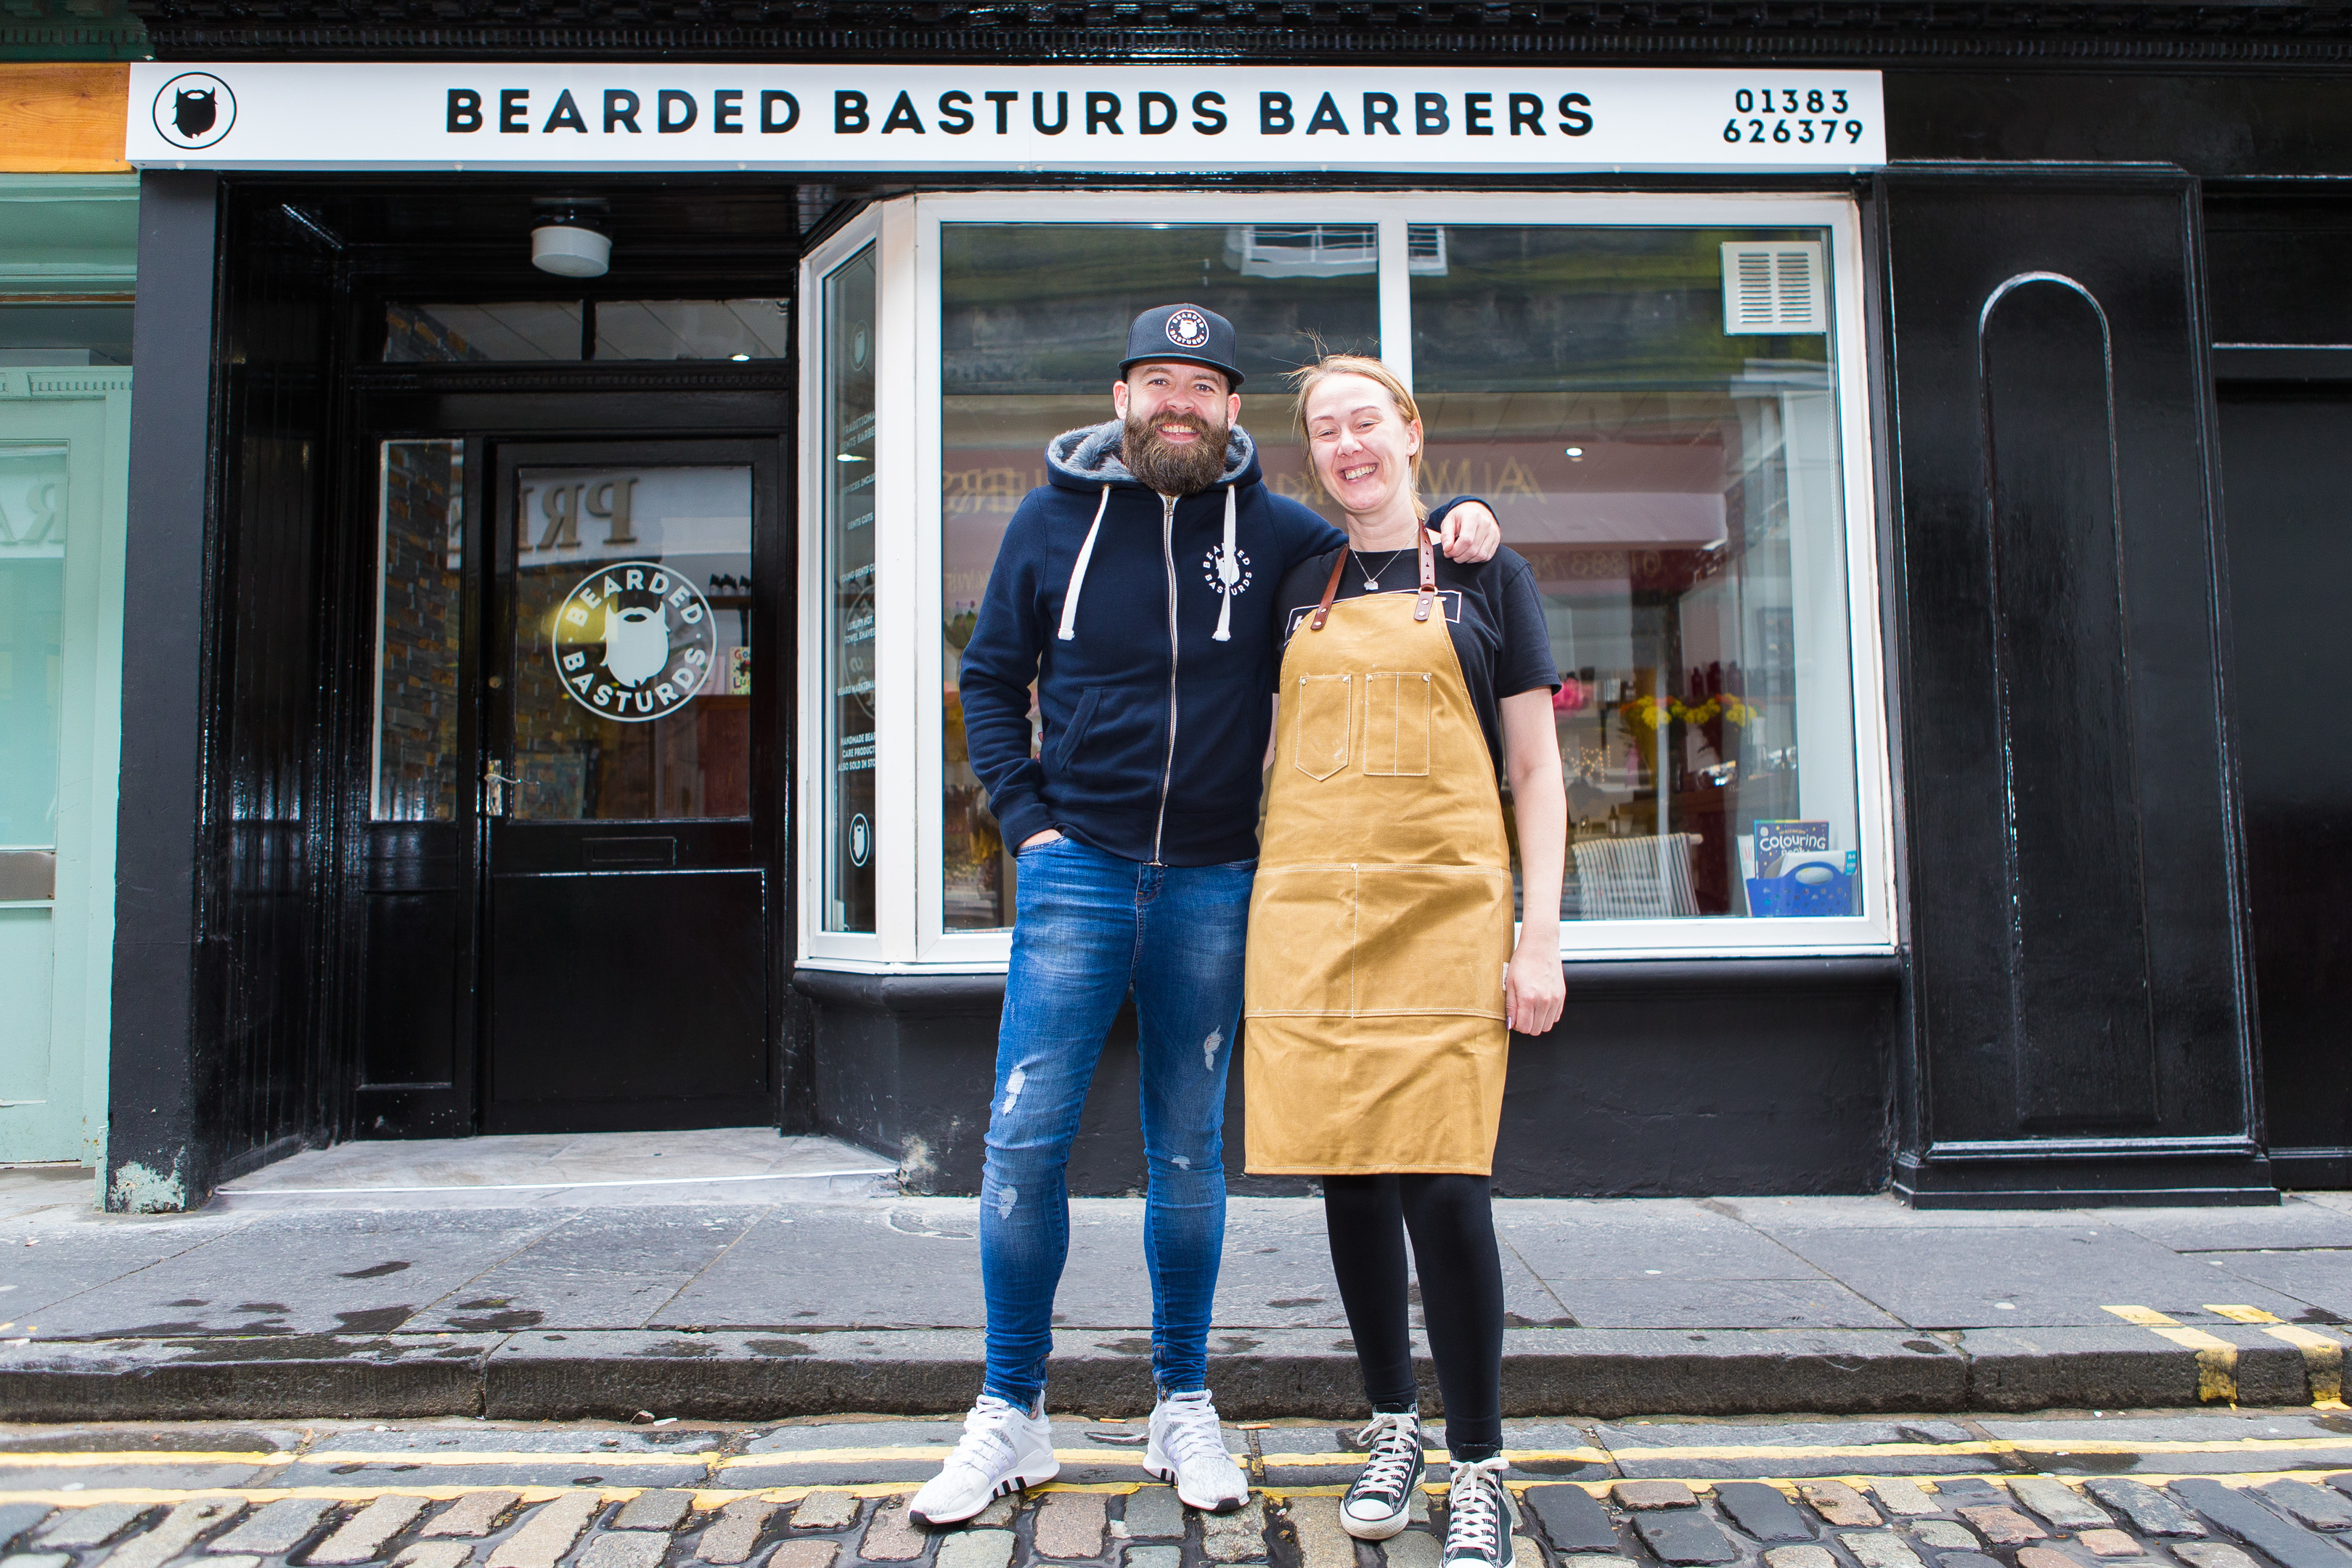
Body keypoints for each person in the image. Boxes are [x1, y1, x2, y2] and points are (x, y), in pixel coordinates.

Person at [910, 306, 1503, 1524]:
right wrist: (1024, 820)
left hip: (1219, 880)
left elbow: (1385, 543)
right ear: (1123, 394)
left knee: (1189, 1152)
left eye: (1203, 385)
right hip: (1076, 873)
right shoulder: (1045, 520)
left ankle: (1183, 1403)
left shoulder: (1281, 534)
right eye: (1158, 381)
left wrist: (1464, 523)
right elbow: (988, 672)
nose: (1179, 402)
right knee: (1026, 1143)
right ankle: (1010, 1410)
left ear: (1232, 410)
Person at [1244, 354, 1568, 1568]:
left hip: (1447, 917)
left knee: (1443, 1180)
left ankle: (1479, 1461)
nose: (1348, 445)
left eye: (1365, 421)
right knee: (1350, 1180)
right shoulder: (1293, 582)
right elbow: (1270, 759)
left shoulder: (1491, 570)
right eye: (1326, 430)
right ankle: (1392, 1427)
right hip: (1315, 917)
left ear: (1412, 431)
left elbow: (1535, 773)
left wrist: (1539, 937)